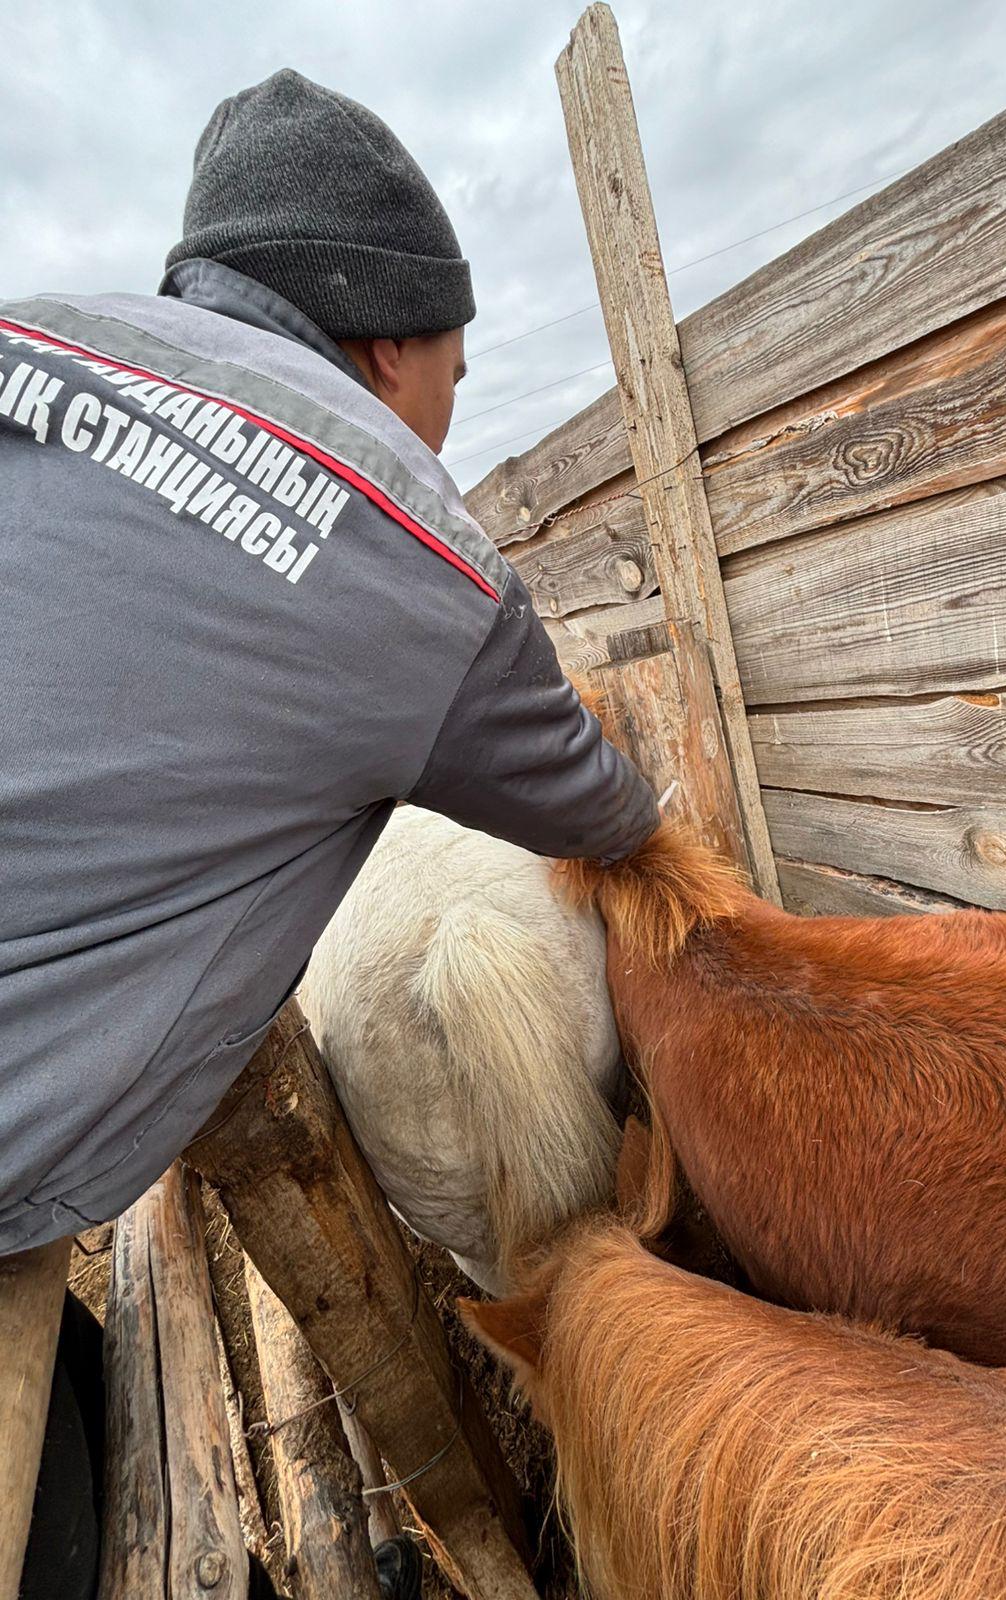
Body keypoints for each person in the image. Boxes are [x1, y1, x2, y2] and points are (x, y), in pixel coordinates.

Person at [4, 70, 657, 1597]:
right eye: (454, 367)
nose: (450, 409)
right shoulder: (423, 558)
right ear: (384, 346)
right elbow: (606, 815)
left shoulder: (32, 342)